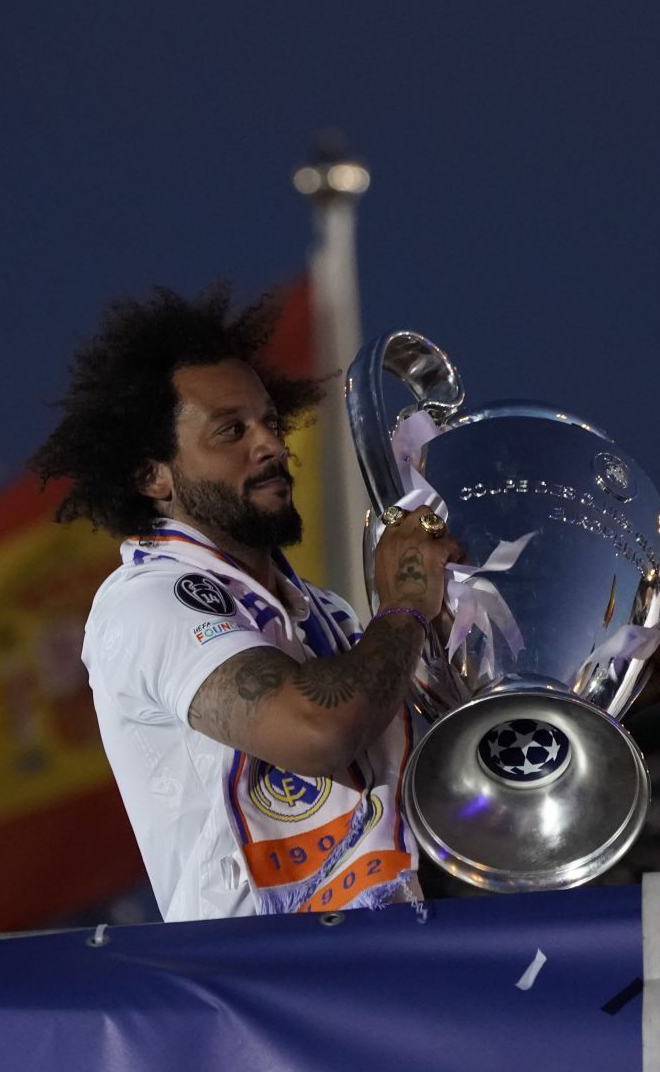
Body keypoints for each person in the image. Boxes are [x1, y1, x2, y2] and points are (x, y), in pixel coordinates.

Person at [30, 285, 463, 920]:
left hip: (380, 965)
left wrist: (597, 675)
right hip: (257, 996)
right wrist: (403, 608)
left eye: (270, 423)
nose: (269, 446)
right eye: (231, 430)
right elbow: (314, 730)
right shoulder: (149, 601)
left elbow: (451, 776)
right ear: (153, 476)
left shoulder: (328, 616)